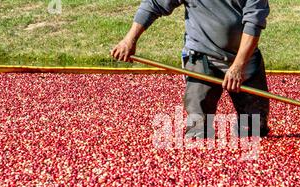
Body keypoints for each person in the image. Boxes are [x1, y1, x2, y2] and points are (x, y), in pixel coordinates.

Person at [111, 0, 270, 138]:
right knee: (198, 127)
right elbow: (154, 4)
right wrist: (129, 40)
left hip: (245, 60)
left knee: (255, 129)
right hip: (202, 56)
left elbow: (254, 22)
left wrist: (238, 66)